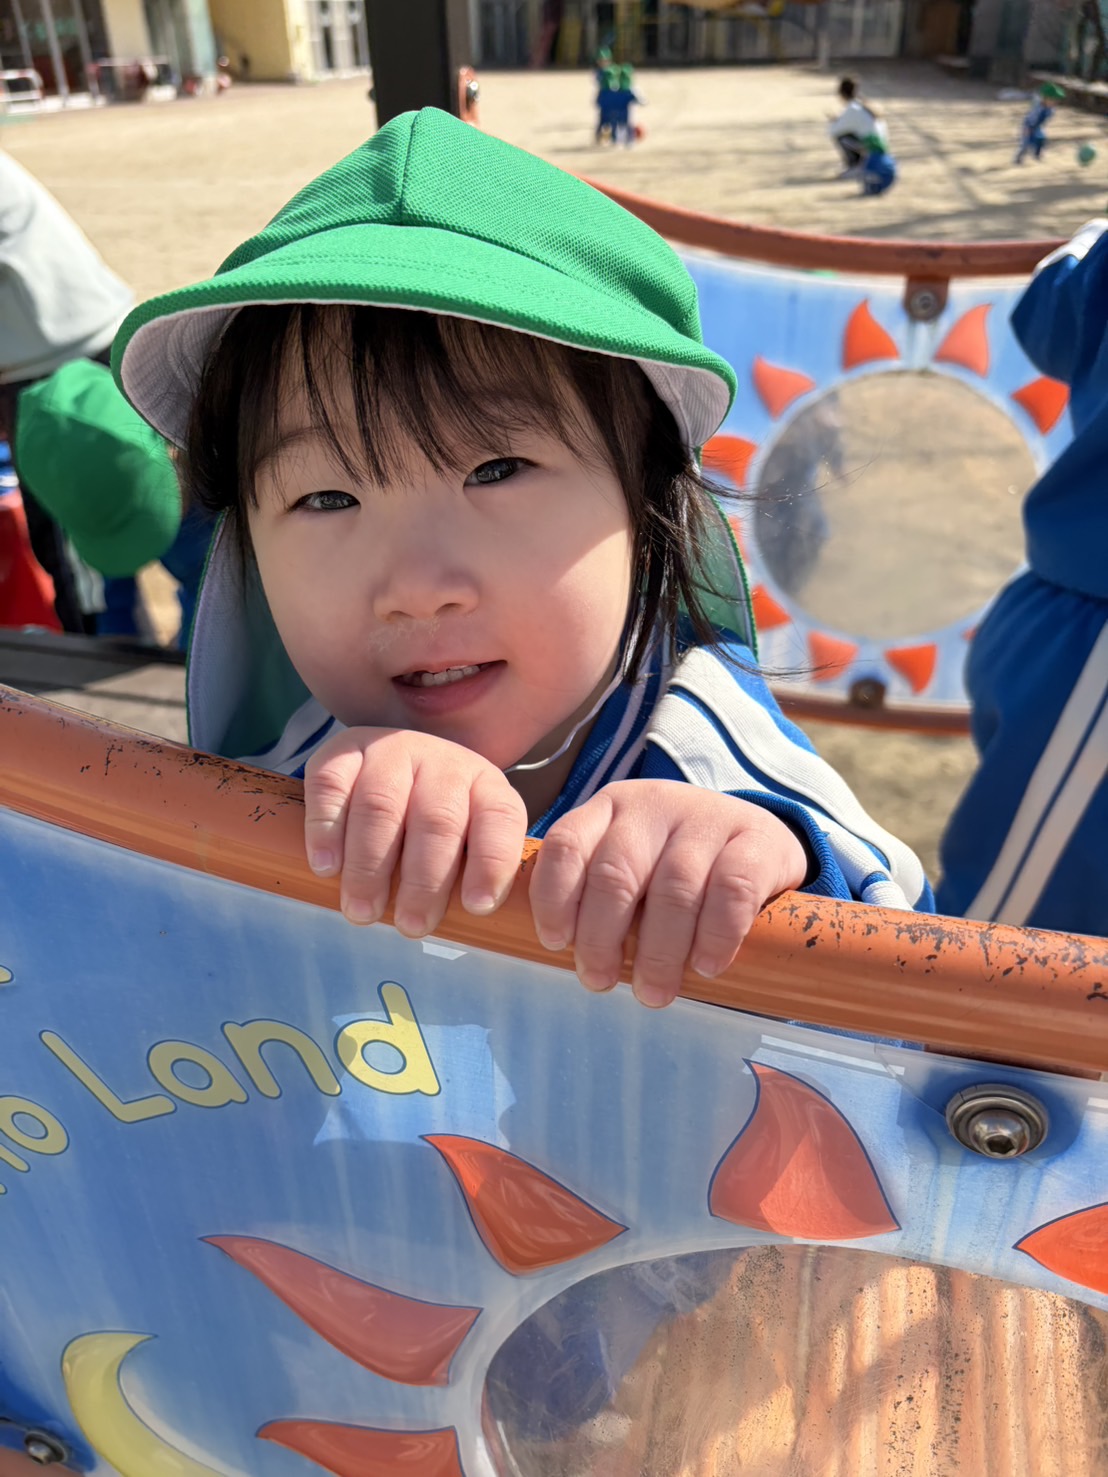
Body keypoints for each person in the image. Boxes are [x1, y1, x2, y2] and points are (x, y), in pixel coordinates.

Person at [112, 109, 932, 1008]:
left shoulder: (712, 757)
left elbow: (922, 991)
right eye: (327, 498)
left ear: (649, 505)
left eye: (496, 470)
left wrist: (770, 875)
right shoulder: (277, 783)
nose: (417, 588)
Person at [937, 221, 1108, 934]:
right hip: (1085, 639)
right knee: (1007, 950)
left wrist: (1091, 236)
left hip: (1083, 640)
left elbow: (1049, 317)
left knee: (1002, 951)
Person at [0, 149, 134, 633]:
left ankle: (98, 652)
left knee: (79, 534)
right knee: (111, 519)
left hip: (54, 359)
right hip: (67, 341)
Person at [14, 359, 211, 647]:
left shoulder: (216, 495)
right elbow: (113, 595)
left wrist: (191, 653)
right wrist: (115, 640)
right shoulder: (91, 494)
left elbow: (211, 605)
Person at [828, 76, 884, 178]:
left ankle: (856, 165)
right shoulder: (862, 105)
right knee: (849, 133)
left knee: (841, 137)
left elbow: (834, 131)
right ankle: (860, 164)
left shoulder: (852, 108)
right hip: (878, 145)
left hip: (872, 148)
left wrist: (835, 121)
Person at [1015, 82, 1065, 165]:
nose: (1055, 103)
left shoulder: (1050, 109)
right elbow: (1030, 119)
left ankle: (1037, 154)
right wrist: (1028, 129)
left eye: (1056, 101)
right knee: (1025, 143)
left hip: (1037, 127)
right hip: (1028, 126)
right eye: (1052, 100)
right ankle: (1019, 158)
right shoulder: (1038, 108)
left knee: (1041, 139)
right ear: (1045, 99)